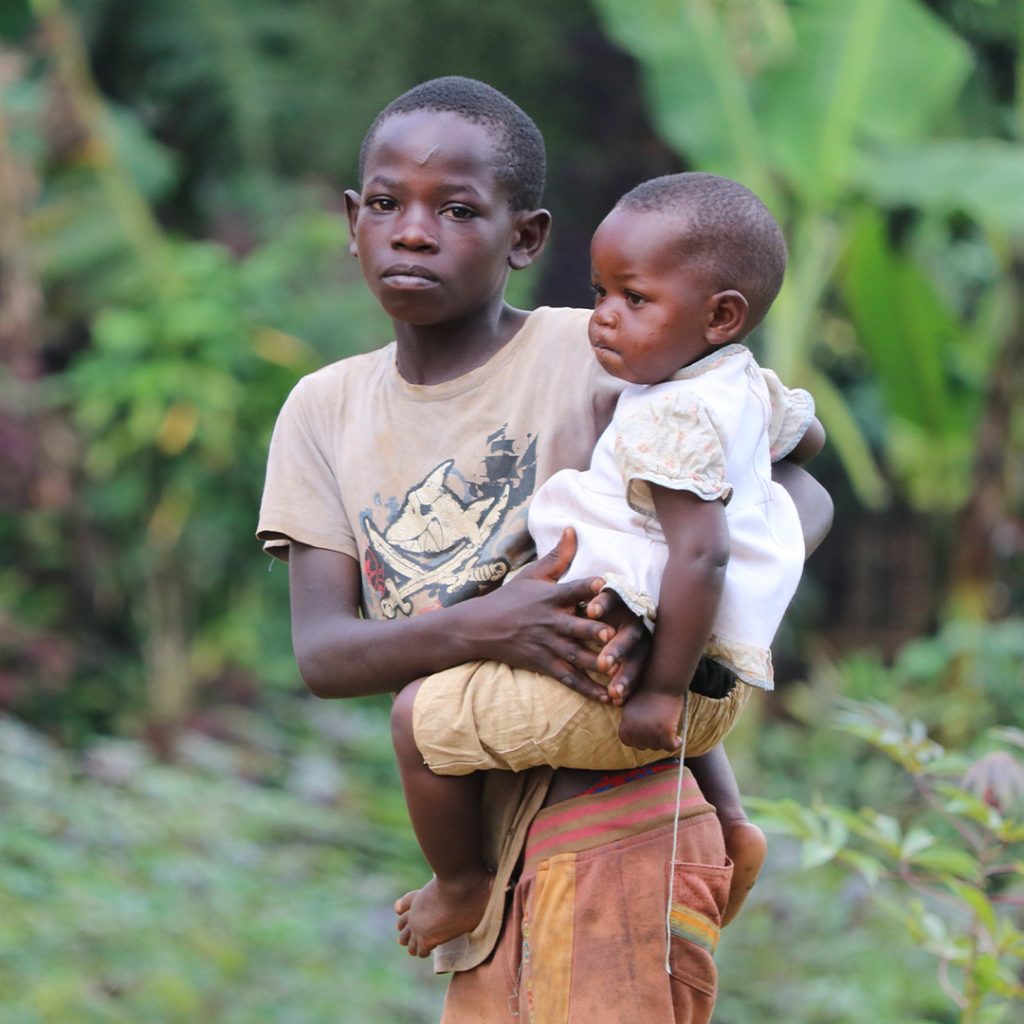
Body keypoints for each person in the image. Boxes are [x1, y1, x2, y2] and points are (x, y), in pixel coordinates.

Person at [257, 76, 832, 1023]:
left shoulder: (603, 351)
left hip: (620, 817)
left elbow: (800, 481)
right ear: (353, 222)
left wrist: (671, 605)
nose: (413, 233)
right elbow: (324, 655)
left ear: (524, 238)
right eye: (388, 205)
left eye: (456, 210)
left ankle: (726, 821)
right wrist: (494, 624)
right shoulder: (324, 410)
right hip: (487, 846)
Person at [389, 170, 826, 958]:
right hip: (710, 696)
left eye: (635, 298)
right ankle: (731, 823)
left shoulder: (671, 416)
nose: (604, 317)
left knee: (417, 719)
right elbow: (809, 439)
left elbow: (702, 551)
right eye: (600, 293)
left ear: (721, 315)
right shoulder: (737, 382)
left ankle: (457, 885)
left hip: (634, 692)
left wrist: (657, 690)